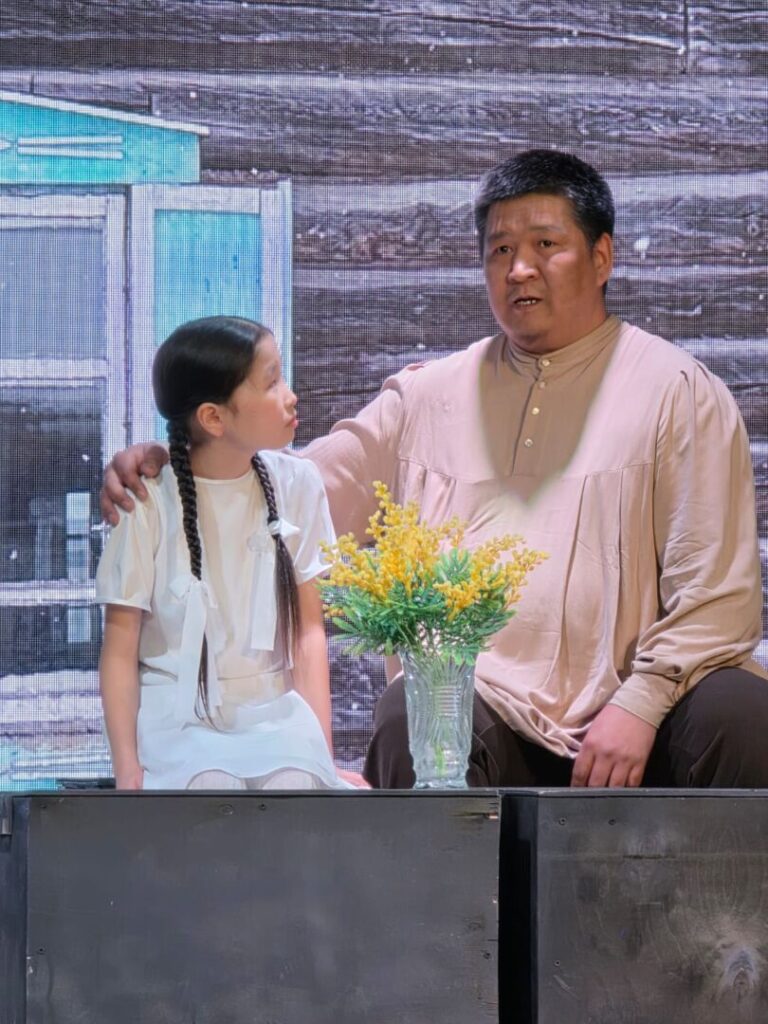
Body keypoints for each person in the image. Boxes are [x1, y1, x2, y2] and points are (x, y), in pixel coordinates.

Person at [101, 151, 768, 790]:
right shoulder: (427, 396)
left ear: (602, 258)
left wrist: (642, 702)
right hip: (478, 708)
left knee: (740, 712)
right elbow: (290, 490)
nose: (519, 270)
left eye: (545, 245)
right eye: (500, 251)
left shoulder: (679, 392)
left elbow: (717, 598)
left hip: (633, 716)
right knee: (407, 714)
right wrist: (178, 456)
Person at [97, 315, 359, 790]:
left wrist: (322, 755)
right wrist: (127, 770)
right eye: (271, 382)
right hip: (179, 714)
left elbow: (308, 632)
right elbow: (120, 644)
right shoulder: (148, 499)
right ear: (213, 418)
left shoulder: (297, 483)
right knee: (210, 788)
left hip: (273, 710)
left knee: (296, 786)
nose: (290, 396)